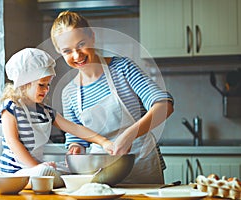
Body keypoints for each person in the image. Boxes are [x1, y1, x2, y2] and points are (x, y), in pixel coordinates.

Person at [50, 11, 174, 184]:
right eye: (67, 51)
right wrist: (75, 148)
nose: (77, 56)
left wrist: (130, 135)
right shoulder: (69, 93)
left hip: (142, 167)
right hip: (102, 174)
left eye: (81, 44)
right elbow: (77, 138)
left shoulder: (123, 69)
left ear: (92, 37)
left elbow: (164, 106)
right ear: (59, 52)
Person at [0, 48, 113, 187]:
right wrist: (37, 168)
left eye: (48, 85)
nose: (46, 90)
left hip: (37, 171)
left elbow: (75, 128)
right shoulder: (11, 107)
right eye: (41, 85)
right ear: (24, 82)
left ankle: (49, 178)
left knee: (72, 170)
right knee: (45, 171)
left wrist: (104, 142)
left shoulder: (45, 112)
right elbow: (13, 142)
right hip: (15, 175)